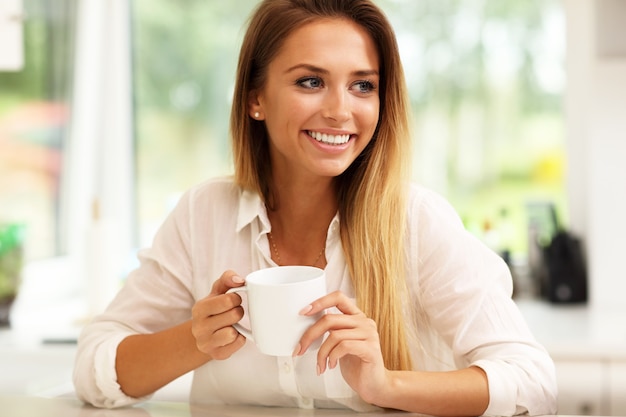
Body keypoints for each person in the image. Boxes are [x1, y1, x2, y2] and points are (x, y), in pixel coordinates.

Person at [73, 0, 557, 415]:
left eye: (363, 86)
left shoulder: (414, 221)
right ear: (255, 98)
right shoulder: (205, 214)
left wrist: (385, 384)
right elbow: (93, 367)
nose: (341, 110)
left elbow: (532, 382)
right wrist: (194, 340)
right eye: (310, 81)